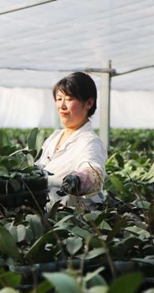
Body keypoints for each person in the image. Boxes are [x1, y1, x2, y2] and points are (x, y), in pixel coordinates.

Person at [35, 72, 107, 207]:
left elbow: (94, 172)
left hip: (69, 221)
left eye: (68, 99)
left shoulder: (90, 142)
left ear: (89, 103)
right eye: (58, 99)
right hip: (44, 215)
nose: (62, 106)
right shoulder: (54, 138)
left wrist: (79, 180)